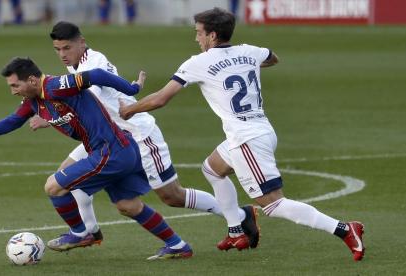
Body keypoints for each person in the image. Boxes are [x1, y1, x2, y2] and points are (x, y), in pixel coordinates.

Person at [119, 7, 366, 261]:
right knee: (213, 169)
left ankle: (345, 229)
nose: (197, 39)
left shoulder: (198, 63)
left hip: (247, 140)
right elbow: (273, 58)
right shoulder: (250, 51)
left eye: (199, 33)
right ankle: (236, 229)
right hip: (259, 130)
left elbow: (161, 98)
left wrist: (130, 110)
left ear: (213, 35)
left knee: (273, 204)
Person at [28, 21, 260, 252]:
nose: (62, 55)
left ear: (82, 43)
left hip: (139, 135)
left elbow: (89, 98)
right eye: (57, 50)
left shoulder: (94, 62)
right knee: (64, 179)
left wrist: (51, 116)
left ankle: (240, 215)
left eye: (67, 48)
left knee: (172, 196)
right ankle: (88, 231)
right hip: (108, 137)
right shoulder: (76, 65)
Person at [0, 57, 193, 260]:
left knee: (54, 186)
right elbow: (11, 122)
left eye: (15, 85)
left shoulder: (56, 86)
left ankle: (82, 233)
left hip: (111, 151)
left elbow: (97, 74)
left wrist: (131, 91)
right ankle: (178, 245)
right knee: (128, 206)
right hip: (120, 150)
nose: (13, 90)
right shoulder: (34, 102)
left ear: (31, 80)